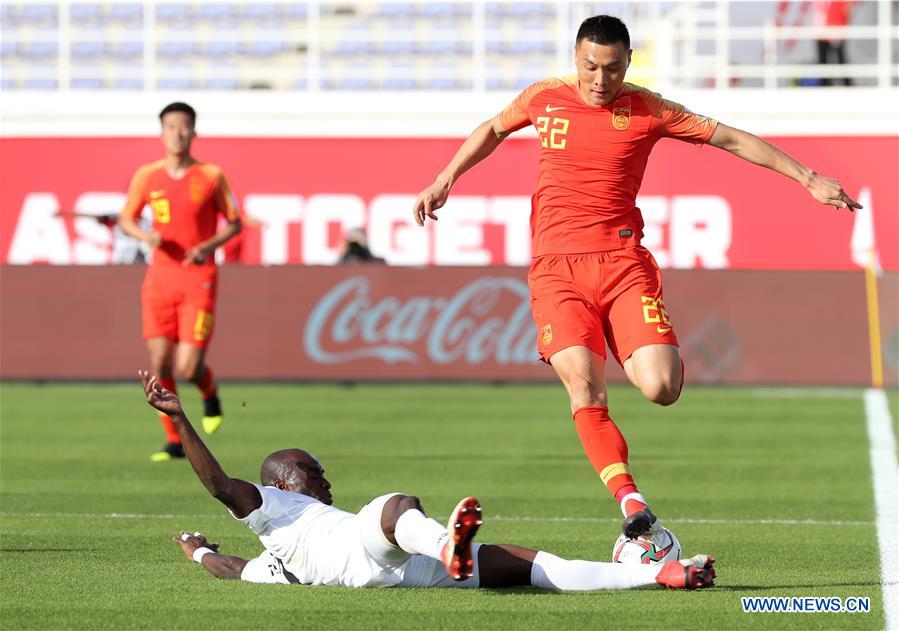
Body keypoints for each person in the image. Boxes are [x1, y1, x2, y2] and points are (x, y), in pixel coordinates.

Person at [412, 15, 861, 545]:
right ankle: (632, 501)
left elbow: (732, 140)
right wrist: (445, 179)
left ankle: (624, 344)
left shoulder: (650, 109)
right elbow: (491, 129)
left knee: (661, 387)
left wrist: (809, 179)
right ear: (575, 59)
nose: (601, 80)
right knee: (583, 384)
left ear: (628, 63)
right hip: (557, 270)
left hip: (624, 266)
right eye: (590, 67)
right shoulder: (544, 98)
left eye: (613, 68)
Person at [139, 371, 716, 591]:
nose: (326, 479)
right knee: (395, 504)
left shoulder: (269, 562)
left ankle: (658, 574)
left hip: (395, 572)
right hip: (364, 548)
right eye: (314, 472)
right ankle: (447, 545)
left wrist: (199, 553)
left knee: (530, 568)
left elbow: (232, 568)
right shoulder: (271, 506)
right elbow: (218, 484)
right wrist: (180, 417)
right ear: (285, 483)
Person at [119, 103, 242, 462]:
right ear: (161, 133)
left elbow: (234, 222)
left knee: (188, 366)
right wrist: (145, 236)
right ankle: (174, 439)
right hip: (159, 279)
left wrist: (208, 245)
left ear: (194, 132)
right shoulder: (147, 176)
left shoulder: (211, 176)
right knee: (159, 363)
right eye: (170, 126)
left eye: (184, 126)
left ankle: (209, 391)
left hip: (198, 280)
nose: (177, 133)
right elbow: (127, 218)